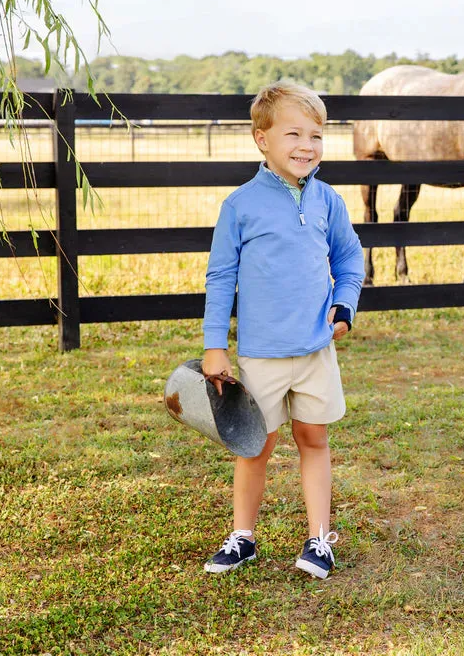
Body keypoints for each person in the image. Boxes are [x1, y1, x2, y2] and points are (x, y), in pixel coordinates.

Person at [200, 81, 364, 579]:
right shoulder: (241, 206)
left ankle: (319, 540)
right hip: (261, 355)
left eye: (316, 136)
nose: (307, 146)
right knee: (257, 446)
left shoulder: (328, 201)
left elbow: (350, 258)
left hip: (315, 350)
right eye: (293, 133)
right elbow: (220, 277)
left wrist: (344, 305)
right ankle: (243, 538)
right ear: (261, 139)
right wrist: (214, 346)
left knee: (314, 438)